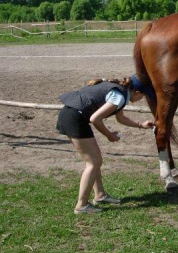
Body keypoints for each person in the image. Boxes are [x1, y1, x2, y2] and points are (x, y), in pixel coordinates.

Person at [56, 75, 154, 214]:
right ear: (137, 92)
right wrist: (110, 136)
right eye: (143, 96)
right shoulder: (119, 97)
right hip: (74, 119)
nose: (141, 100)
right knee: (94, 162)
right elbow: (95, 119)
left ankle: (100, 195)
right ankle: (81, 206)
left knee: (94, 160)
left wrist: (141, 125)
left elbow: (120, 118)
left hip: (72, 115)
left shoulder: (120, 91)